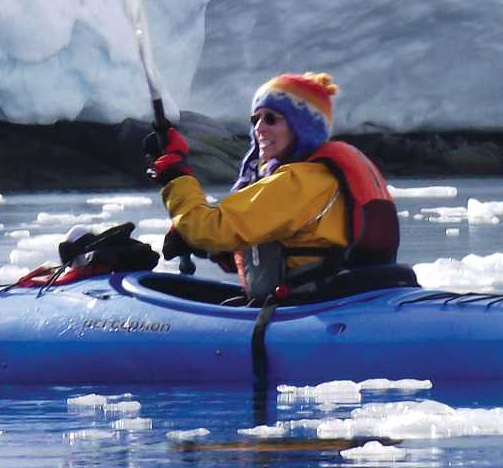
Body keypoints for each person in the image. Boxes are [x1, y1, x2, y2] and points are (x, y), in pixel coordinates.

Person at [147, 72, 401, 303]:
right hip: (337, 301)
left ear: (302, 127)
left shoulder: (301, 181)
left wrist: (176, 176)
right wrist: (212, 250)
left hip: (306, 307)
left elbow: (211, 230)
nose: (259, 128)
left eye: (271, 118)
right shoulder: (320, 177)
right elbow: (288, 249)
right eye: (255, 118)